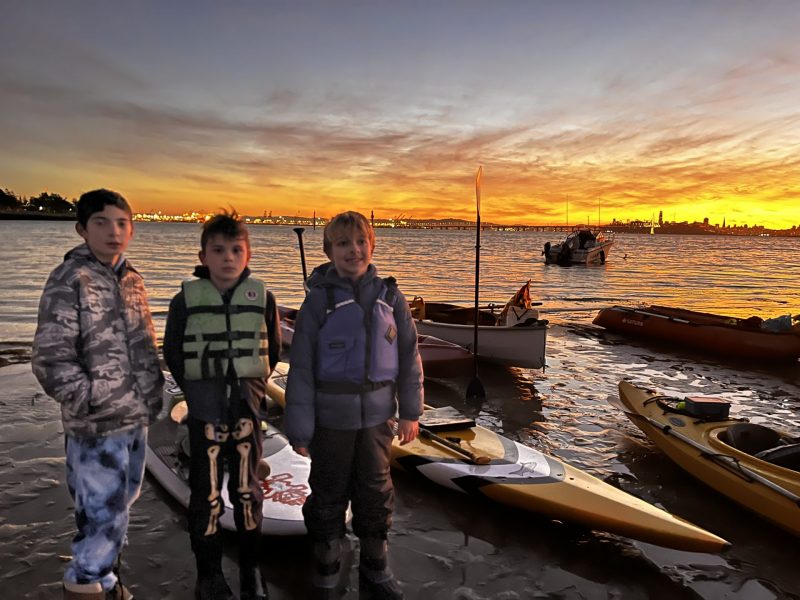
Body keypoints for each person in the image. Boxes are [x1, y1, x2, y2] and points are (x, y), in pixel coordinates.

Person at [32, 189, 164, 600]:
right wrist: (90, 399)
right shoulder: (71, 278)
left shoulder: (132, 278)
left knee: (117, 507)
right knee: (100, 512)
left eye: (122, 223)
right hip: (96, 423)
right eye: (102, 223)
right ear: (82, 229)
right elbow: (50, 357)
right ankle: (87, 584)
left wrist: (153, 393)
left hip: (134, 416)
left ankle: (107, 581)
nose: (114, 231)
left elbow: (144, 344)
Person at [284, 211, 424, 599]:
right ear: (329, 250)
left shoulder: (390, 297)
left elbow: (409, 357)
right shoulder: (317, 302)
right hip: (331, 420)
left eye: (360, 242)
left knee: (376, 490)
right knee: (328, 491)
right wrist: (300, 427)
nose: (353, 250)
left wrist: (411, 411)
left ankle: (375, 566)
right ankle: (327, 558)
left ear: (372, 245)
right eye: (343, 243)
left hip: (378, 420)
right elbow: (301, 370)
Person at [162, 210, 281, 600]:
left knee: (248, 494)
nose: (227, 257)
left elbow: (274, 350)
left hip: (247, 413)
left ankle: (252, 574)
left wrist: (254, 388)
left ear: (247, 254)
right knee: (207, 496)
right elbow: (174, 352)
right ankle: (209, 574)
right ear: (203, 256)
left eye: (236, 249)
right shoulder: (185, 301)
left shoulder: (264, 298)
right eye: (218, 250)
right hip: (205, 414)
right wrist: (196, 395)